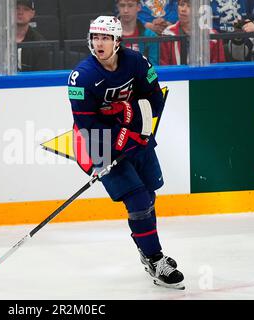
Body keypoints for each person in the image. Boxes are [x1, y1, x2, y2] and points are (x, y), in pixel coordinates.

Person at [67, 16, 185, 289]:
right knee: (139, 202)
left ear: (117, 41)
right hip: (100, 146)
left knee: (149, 195)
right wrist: (122, 137)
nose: (99, 43)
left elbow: (155, 101)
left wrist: (131, 119)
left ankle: (147, 250)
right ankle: (156, 259)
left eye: (105, 37)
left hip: (138, 138)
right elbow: (87, 125)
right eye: (95, 37)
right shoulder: (81, 77)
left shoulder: (138, 62)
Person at [0, 0, 50, 73]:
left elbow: (41, 73)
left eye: (26, 9)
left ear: (32, 14)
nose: (20, 12)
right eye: (17, 8)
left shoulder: (39, 42)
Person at [160, 0, 226, 65]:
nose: (183, 9)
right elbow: (164, 66)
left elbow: (219, 69)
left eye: (189, 6)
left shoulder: (213, 37)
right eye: (181, 5)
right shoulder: (167, 33)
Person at [116, 0, 160, 65]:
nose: (126, 10)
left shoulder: (151, 36)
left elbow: (154, 66)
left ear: (139, 7)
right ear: (118, 7)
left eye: (130, 5)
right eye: (122, 5)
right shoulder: (108, 35)